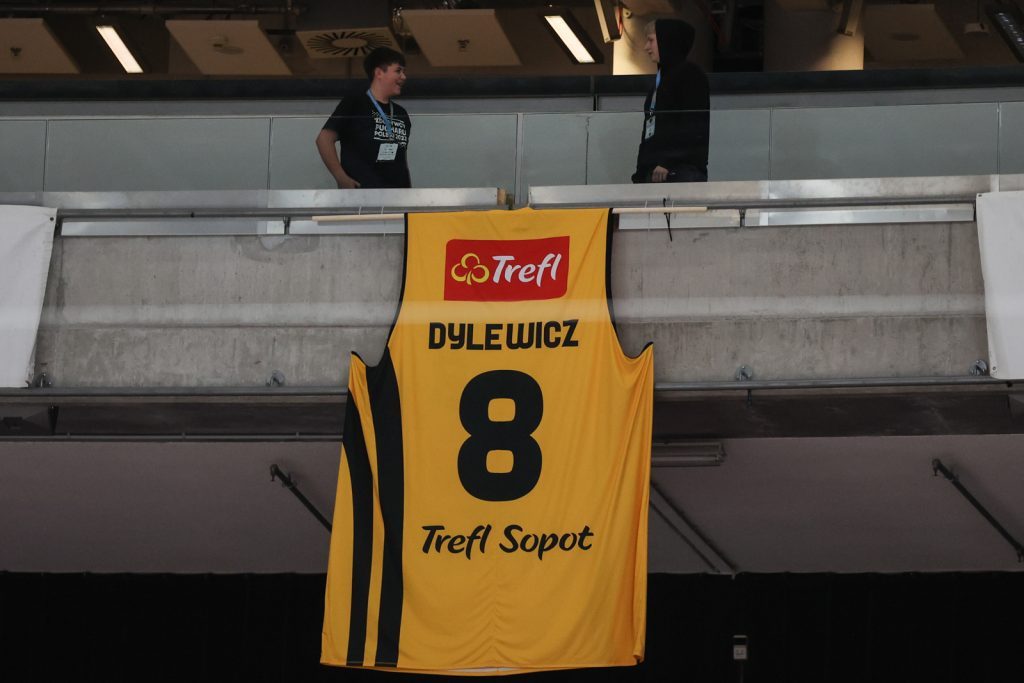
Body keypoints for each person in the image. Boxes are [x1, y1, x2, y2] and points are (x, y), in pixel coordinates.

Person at [316, 47, 411, 189]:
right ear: (379, 73)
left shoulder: (400, 112)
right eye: (398, 71)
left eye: (403, 72)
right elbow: (324, 139)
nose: (403, 77)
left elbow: (401, 158)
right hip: (362, 193)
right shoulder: (355, 103)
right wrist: (341, 178)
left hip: (397, 194)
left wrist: (408, 191)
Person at [632, 19, 709, 183]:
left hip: (680, 170)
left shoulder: (690, 75)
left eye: (651, 40)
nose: (646, 47)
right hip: (655, 170)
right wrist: (641, 171)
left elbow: (693, 125)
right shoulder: (660, 80)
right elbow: (649, 128)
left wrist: (669, 161)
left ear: (666, 40)